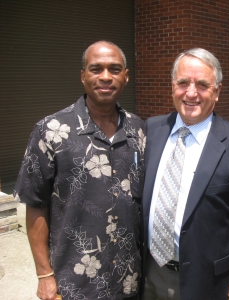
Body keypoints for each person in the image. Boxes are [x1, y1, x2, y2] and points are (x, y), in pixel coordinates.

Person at [14, 41, 146, 300]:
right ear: (83, 76)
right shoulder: (50, 130)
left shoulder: (139, 130)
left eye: (114, 69)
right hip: (75, 284)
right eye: (96, 69)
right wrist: (44, 275)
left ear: (126, 76)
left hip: (130, 281)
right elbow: (35, 204)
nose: (106, 77)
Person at [142, 48, 229, 300]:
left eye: (203, 85)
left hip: (207, 282)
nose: (191, 93)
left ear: (217, 91)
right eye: (183, 82)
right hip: (149, 273)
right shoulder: (151, 130)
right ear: (173, 86)